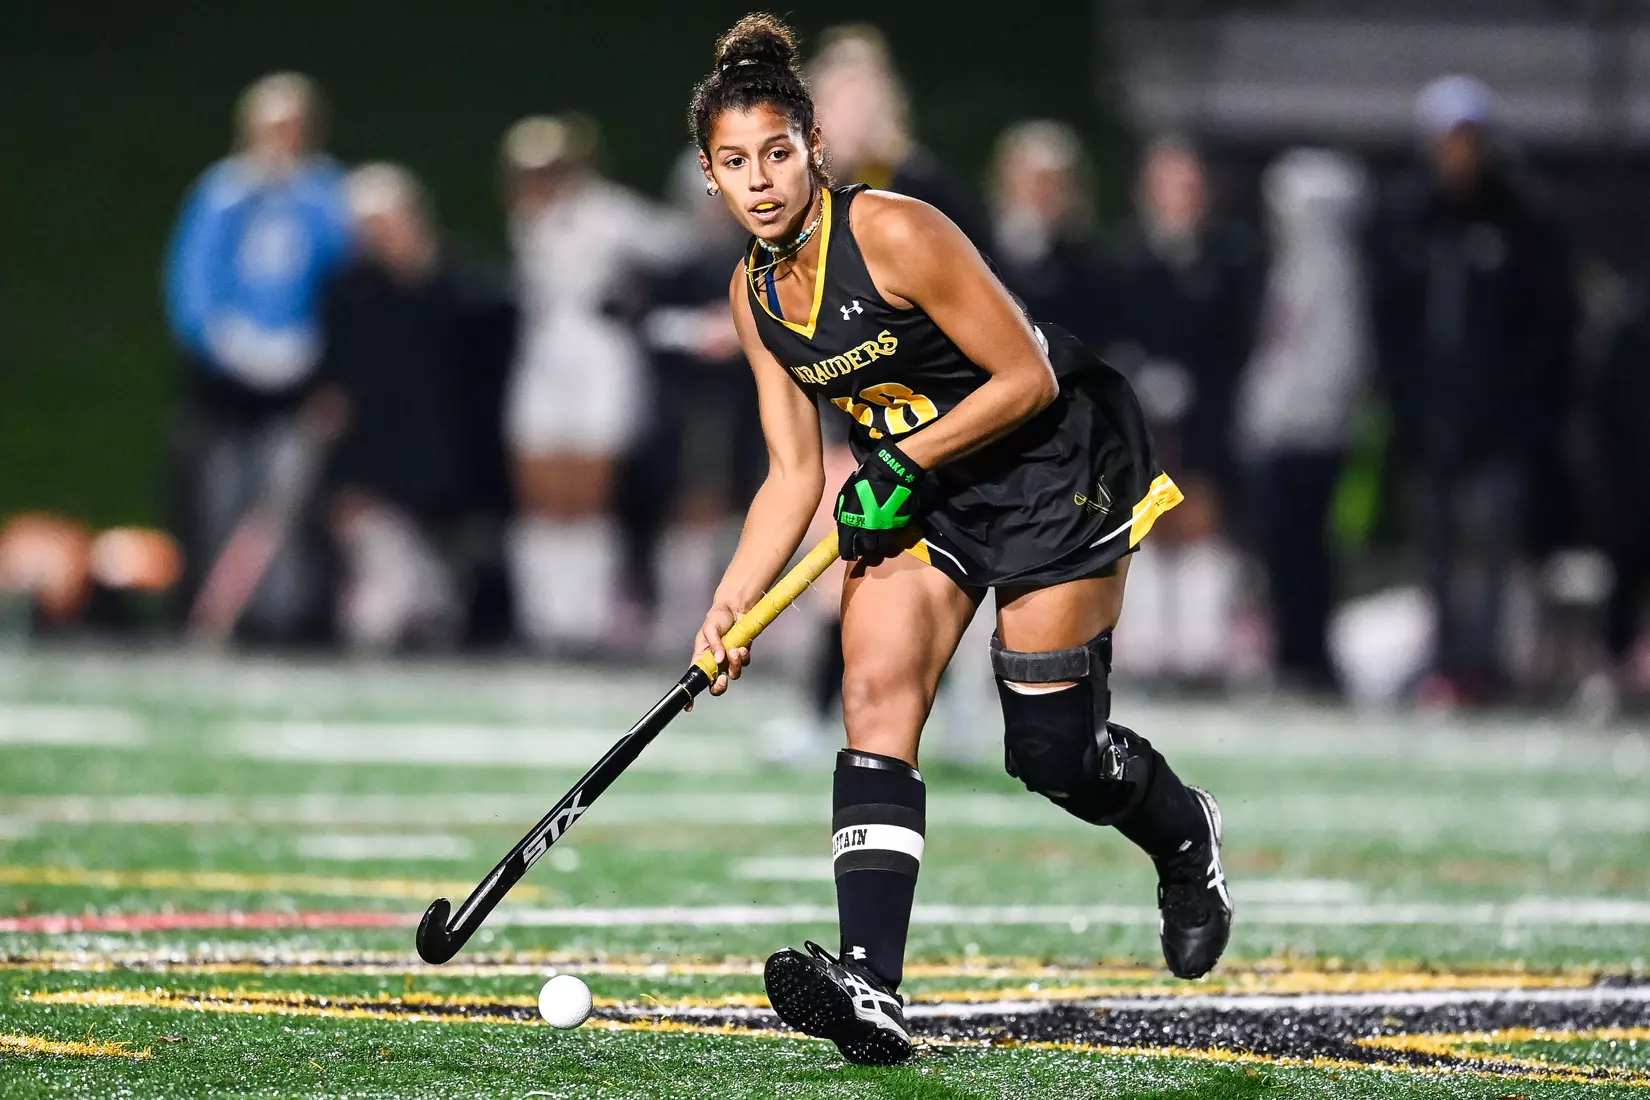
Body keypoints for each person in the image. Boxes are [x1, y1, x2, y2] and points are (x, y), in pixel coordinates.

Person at [685, 15, 1232, 1066]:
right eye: (734, 163)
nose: (760, 182)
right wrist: (732, 604)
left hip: (1050, 466)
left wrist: (902, 461)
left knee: (1052, 751)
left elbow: (1025, 375)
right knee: (876, 688)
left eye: (776, 154)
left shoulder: (895, 230)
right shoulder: (754, 297)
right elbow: (794, 474)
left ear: (814, 150)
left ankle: (1184, 833)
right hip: (925, 491)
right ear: (711, 177)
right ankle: (872, 985)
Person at [1368, 75, 1577, 706]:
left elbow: (1549, 327)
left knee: (1489, 549)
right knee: (1434, 553)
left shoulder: (1521, 220)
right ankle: (1445, 660)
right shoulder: (1409, 219)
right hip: (1427, 421)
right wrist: (1403, 404)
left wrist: (1524, 411)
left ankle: (1482, 665)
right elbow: (1391, 325)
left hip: (1497, 425)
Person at [162, 72, 352, 642]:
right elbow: (190, 278)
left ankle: (283, 615)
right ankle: (224, 613)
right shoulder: (222, 192)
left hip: (299, 373)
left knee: (288, 500)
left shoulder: (326, 194)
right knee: (223, 492)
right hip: (226, 375)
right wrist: (215, 339)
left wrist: (323, 357)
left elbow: (342, 280)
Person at [502, 115, 689, 654]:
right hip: (543, 358)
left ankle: (586, 617)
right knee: (539, 488)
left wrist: (635, 298)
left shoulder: (609, 213)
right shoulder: (528, 221)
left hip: (599, 358)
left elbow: (675, 246)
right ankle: (543, 615)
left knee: (587, 491)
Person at [316, 164, 517, 652]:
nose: (376, 239)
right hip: (372, 470)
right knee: (381, 609)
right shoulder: (351, 292)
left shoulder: (469, 290)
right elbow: (336, 388)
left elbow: (484, 385)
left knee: (435, 607)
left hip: (447, 473)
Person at [1099, 135, 1261, 689]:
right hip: (1137, 421)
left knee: (1203, 523)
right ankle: (1146, 653)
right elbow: (1103, 335)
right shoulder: (1124, 258)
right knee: (1143, 525)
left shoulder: (1228, 259)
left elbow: (1240, 341)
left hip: (1208, 423)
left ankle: (1201, 654)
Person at [1236, 149, 1370, 695]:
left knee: (1305, 548)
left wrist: (1288, 414)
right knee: (1285, 549)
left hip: (1311, 435)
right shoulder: (1293, 266)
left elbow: (1334, 360)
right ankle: (1292, 651)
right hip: (1286, 431)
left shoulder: (1331, 269)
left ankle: (1309, 654)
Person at [990, 120, 1107, 350]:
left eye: (1055, 182)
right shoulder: (978, 246)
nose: (1043, 193)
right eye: (1034, 180)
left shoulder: (1087, 262)